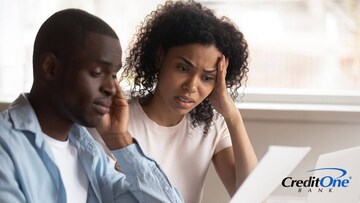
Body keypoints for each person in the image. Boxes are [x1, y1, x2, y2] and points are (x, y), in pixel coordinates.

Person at [0, 9, 183, 203]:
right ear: (50, 67)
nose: (112, 89)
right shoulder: (6, 147)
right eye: (97, 72)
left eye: (114, 75)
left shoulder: (88, 153)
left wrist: (118, 138)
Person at [119, 0, 258, 202]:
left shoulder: (211, 126)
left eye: (207, 77)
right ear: (160, 57)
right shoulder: (117, 123)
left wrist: (232, 116)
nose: (191, 86)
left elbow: (251, 197)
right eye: (183, 68)